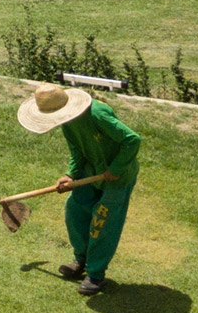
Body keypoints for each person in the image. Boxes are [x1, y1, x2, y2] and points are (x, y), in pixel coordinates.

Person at [16, 80, 140, 297]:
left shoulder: (97, 114)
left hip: (117, 177)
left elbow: (132, 139)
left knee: (103, 221)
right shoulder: (67, 121)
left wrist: (116, 168)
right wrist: (71, 174)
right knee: (75, 209)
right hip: (91, 171)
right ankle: (81, 259)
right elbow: (77, 150)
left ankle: (96, 274)